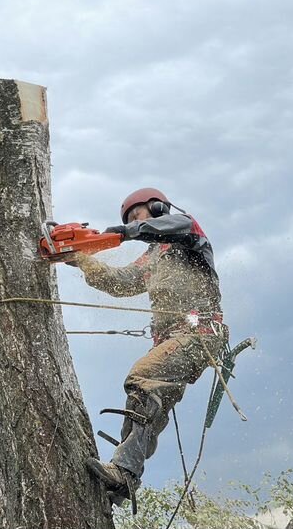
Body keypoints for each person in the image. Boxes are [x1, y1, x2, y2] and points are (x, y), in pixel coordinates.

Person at [68, 187, 228, 507]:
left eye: (137, 214)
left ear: (156, 207)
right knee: (147, 402)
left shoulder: (186, 231)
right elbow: (121, 282)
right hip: (174, 341)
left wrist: (129, 231)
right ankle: (124, 477)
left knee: (142, 377)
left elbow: (170, 226)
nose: (134, 221)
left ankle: (125, 469)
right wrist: (82, 260)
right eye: (130, 218)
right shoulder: (153, 257)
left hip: (199, 333)